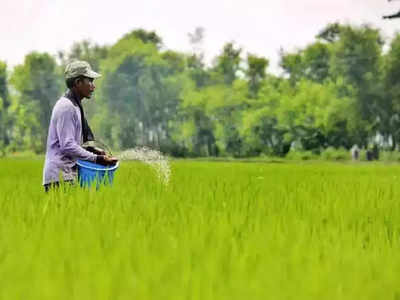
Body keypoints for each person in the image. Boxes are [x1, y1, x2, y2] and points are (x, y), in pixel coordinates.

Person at [43, 61, 117, 192]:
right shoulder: (66, 107)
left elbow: (74, 142)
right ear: (78, 83)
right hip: (59, 177)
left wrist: (94, 150)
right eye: (90, 82)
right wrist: (97, 159)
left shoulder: (75, 106)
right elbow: (68, 145)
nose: (93, 87)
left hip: (68, 174)